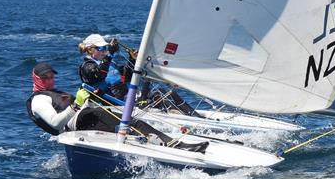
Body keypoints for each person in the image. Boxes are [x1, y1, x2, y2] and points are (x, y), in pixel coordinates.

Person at [26, 62, 207, 152]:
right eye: (46, 78)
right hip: (78, 124)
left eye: (52, 76)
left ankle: (172, 144)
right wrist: (77, 104)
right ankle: (175, 147)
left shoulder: (53, 92)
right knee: (124, 123)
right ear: (37, 80)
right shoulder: (39, 100)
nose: (50, 80)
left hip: (87, 117)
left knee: (130, 121)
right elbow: (55, 124)